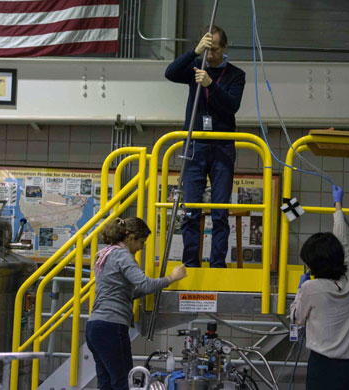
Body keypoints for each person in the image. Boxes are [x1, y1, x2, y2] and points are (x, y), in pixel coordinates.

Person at [164, 25, 245, 268]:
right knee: (191, 210)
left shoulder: (236, 75)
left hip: (222, 148)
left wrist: (211, 84)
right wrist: (194, 52)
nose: (210, 56)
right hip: (195, 147)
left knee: (220, 211)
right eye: (207, 50)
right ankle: (190, 262)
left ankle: (218, 263)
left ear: (225, 48)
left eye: (214, 50)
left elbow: (232, 106)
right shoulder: (196, 68)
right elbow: (170, 73)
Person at [86, 217, 187, 390]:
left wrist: (155, 288)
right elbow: (145, 284)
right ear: (130, 238)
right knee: (124, 383)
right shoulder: (122, 255)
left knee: (106, 384)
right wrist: (171, 278)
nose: (142, 247)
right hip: (111, 326)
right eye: (141, 241)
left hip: (95, 327)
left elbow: (128, 293)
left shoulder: (106, 253)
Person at [290, 185, 349, 389]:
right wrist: (338, 205)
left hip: (322, 368)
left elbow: (296, 318)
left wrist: (299, 290)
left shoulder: (311, 288)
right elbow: (342, 242)